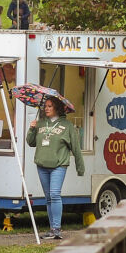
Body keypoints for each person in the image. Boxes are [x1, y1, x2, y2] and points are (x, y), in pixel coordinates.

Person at [27, 96, 83, 239]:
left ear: (57, 108)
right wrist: (32, 128)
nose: (46, 108)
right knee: (48, 198)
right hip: (42, 166)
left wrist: (80, 167)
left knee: (54, 194)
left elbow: (76, 148)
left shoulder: (67, 125)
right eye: (45, 106)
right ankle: (52, 229)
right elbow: (31, 142)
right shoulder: (40, 124)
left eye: (50, 106)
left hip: (59, 165)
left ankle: (57, 229)